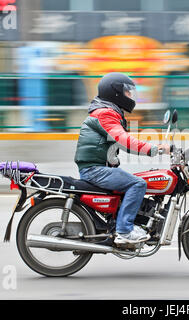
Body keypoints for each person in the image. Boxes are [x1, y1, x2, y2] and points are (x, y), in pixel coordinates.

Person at [75, 72, 170, 245]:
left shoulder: (107, 112)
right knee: (138, 183)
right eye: (127, 92)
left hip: (99, 168)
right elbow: (124, 140)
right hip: (95, 170)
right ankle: (124, 231)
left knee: (136, 180)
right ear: (115, 92)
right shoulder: (105, 114)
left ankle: (127, 224)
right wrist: (155, 149)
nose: (130, 96)